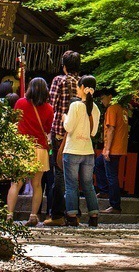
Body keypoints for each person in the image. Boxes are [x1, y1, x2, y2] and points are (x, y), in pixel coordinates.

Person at [7, 77, 53, 226]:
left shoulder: (20, 103)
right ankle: (33, 215)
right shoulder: (48, 108)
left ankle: (9, 214)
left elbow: (14, 121)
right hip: (39, 148)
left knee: (16, 183)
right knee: (37, 184)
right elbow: (47, 129)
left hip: (22, 147)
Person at [43, 50, 81, 226]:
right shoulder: (82, 82)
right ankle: (74, 214)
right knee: (74, 173)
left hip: (59, 130)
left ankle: (57, 214)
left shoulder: (60, 80)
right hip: (78, 133)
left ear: (64, 66)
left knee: (59, 172)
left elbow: (51, 105)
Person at [63, 74, 101, 227]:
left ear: (83, 89)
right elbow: (93, 133)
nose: (77, 90)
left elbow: (68, 127)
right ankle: (94, 215)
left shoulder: (75, 106)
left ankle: (72, 216)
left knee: (71, 184)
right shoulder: (96, 108)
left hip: (72, 150)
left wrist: (64, 118)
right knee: (88, 185)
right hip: (88, 151)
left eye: (78, 87)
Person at [101, 90, 130, 214]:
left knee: (111, 176)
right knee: (99, 164)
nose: (102, 101)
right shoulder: (122, 109)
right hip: (119, 146)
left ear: (110, 97)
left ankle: (115, 205)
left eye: (103, 98)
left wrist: (107, 148)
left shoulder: (112, 109)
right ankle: (104, 191)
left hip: (112, 148)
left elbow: (111, 128)